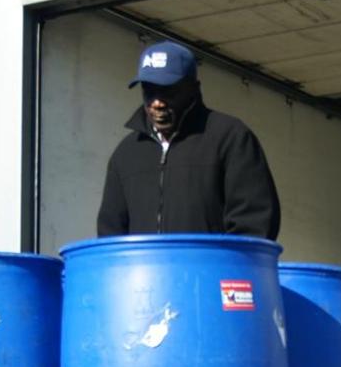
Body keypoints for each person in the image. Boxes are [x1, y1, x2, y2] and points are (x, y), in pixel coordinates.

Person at [96, 40, 281, 240]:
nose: (157, 102)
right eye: (149, 90)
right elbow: (110, 235)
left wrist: (220, 261)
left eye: (167, 90)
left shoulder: (231, 138)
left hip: (212, 262)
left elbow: (254, 225)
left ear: (194, 88)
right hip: (145, 263)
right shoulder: (126, 153)